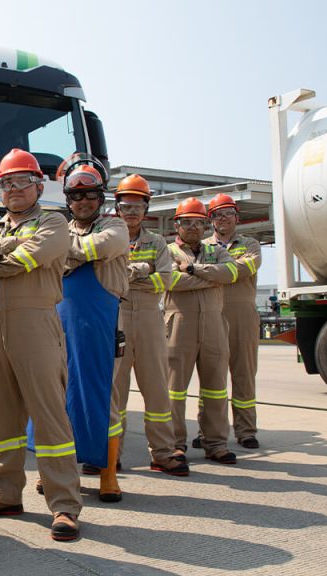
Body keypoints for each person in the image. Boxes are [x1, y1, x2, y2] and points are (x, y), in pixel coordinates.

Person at [0, 149, 82, 542]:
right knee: (1, 419)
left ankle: (64, 504)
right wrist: (2, 257)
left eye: (21, 181)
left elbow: (33, 256)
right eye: (6, 183)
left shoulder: (55, 222)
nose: (14, 188)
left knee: (49, 416)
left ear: (38, 186)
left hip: (36, 322)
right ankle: (5, 494)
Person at [53, 162, 129, 503]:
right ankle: (59, 472)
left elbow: (91, 250)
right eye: (76, 195)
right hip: (59, 320)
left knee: (101, 397)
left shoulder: (115, 227)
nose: (83, 202)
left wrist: (58, 252)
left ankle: (108, 474)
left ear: (101, 197)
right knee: (59, 398)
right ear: (68, 199)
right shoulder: (59, 227)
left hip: (98, 322)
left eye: (90, 195)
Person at [110, 175, 188, 478]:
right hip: (116, 314)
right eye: (126, 206)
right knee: (115, 389)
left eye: (137, 206)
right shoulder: (109, 235)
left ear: (146, 209)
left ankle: (163, 453)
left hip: (149, 317)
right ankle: (111, 454)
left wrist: (130, 276)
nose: (131, 212)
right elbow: (109, 276)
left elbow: (165, 280)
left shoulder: (157, 242)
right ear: (117, 208)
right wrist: (143, 271)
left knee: (156, 387)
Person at [165, 197, 238, 465]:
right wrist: (210, 278)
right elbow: (171, 280)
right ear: (177, 224)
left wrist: (194, 269)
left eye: (199, 222)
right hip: (178, 324)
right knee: (174, 389)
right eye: (187, 222)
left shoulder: (216, 250)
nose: (194, 227)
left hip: (214, 325)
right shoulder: (168, 251)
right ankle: (174, 444)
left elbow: (230, 273)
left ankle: (216, 443)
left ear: (206, 225)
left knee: (216, 387)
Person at [201, 194, 262, 449]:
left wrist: (208, 272)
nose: (223, 218)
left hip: (241, 315)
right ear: (211, 220)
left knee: (244, 373)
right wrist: (225, 271)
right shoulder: (202, 246)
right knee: (211, 375)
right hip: (211, 313)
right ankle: (209, 431)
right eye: (217, 214)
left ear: (237, 217)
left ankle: (246, 430)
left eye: (228, 213)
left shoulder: (250, 244)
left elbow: (246, 268)